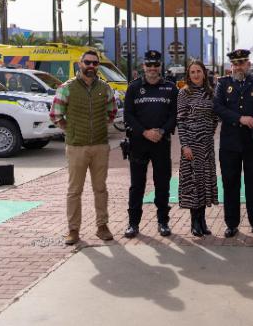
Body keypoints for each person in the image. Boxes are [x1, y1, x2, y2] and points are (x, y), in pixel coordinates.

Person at [50, 50, 117, 245]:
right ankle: (73, 230)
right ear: (80, 64)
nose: (91, 66)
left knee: (100, 189)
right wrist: (70, 129)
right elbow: (55, 115)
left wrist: (99, 127)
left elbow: (112, 112)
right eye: (87, 62)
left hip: (100, 146)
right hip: (76, 147)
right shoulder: (67, 88)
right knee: (74, 191)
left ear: (98, 66)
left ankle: (102, 226)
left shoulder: (105, 88)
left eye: (95, 63)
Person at [213, 49, 253, 238]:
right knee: (230, 184)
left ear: (249, 64)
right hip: (230, 143)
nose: (239, 66)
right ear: (231, 66)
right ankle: (231, 224)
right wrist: (240, 118)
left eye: (242, 62)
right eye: (235, 63)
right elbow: (218, 107)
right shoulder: (223, 84)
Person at [122, 50, 178, 239]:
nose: (152, 68)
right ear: (144, 66)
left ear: (160, 66)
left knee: (162, 184)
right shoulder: (134, 87)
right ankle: (133, 224)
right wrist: (145, 132)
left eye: (156, 65)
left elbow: (174, 115)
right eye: (149, 65)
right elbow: (128, 115)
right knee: (137, 185)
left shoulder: (170, 88)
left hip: (161, 143)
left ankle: (163, 222)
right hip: (139, 142)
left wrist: (161, 131)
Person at [177, 60, 219, 236]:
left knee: (204, 183)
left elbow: (215, 117)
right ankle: (194, 222)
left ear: (204, 73)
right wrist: (185, 145)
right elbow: (180, 120)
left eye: (198, 71)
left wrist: (209, 132)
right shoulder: (184, 93)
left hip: (206, 145)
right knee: (193, 183)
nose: (195, 75)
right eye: (192, 72)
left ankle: (203, 221)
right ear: (189, 74)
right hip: (191, 146)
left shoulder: (211, 93)